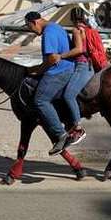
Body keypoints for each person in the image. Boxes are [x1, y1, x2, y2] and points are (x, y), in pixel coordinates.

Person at [25, 11, 75, 155]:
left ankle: (61, 135)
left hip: (59, 72)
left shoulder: (48, 33)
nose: (32, 32)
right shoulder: (56, 26)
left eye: (30, 28)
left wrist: (39, 71)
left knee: (40, 100)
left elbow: (52, 59)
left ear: (34, 22)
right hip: (67, 67)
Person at [58, 8, 96, 146]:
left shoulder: (76, 30)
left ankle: (78, 128)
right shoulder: (89, 28)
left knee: (68, 95)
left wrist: (60, 56)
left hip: (82, 66)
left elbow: (79, 49)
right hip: (90, 65)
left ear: (72, 18)